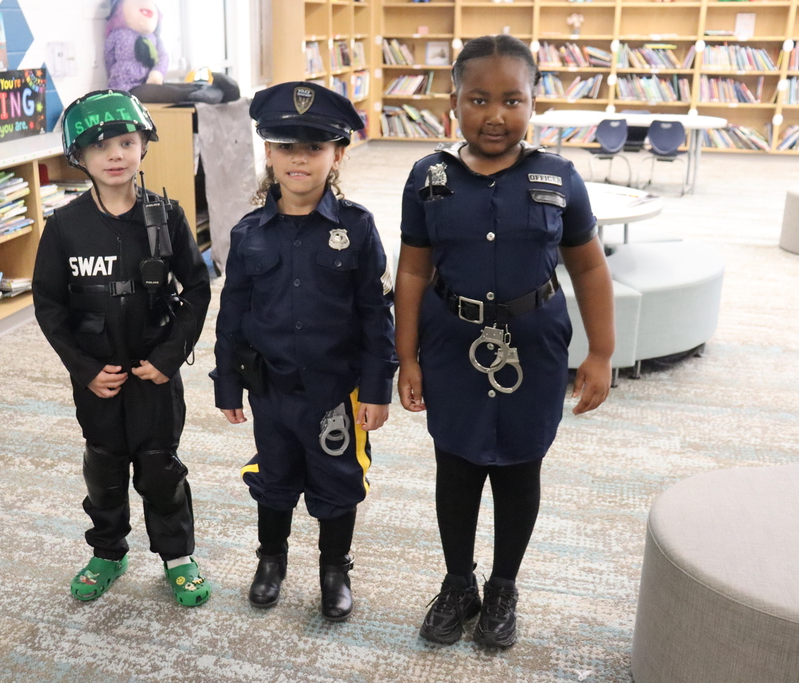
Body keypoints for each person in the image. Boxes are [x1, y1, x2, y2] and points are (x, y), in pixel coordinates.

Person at [394, 35, 614, 647]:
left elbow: (591, 268)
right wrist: (405, 357)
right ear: (454, 103)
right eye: (479, 99)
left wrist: (600, 352)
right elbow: (412, 270)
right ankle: (459, 582)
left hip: (534, 345)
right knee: (456, 468)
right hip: (452, 345)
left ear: (533, 102)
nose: (496, 115)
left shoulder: (559, 177)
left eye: (512, 100)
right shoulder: (428, 177)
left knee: (520, 471)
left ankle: (502, 586)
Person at [211, 82, 397, 622]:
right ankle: (271, 560)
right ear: (267, 153)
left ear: (337, 154)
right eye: (286, 147)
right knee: (274, 477)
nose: (299, 159)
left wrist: (379, 387)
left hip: (334, 392)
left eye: (314, 147)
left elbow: (373, 314)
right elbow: (232, 318)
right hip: (270, 389)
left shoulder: (358, 229)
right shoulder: (248, 234)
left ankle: (334, 569)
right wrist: (227, 382)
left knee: (338, 482)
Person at [33, 89, 212, 606]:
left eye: (126, 142)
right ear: (80, 157)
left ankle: (177, 556)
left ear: (142, 147)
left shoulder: (167, 215)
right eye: (100, 146)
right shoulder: (64, 226)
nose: (115, 155)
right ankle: (108, 551)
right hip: (98, 379)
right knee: (105, 469)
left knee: (161, 468)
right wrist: (84, 369)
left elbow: (197, 289)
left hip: (154, 374)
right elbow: (49, 305)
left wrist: (169, 356)